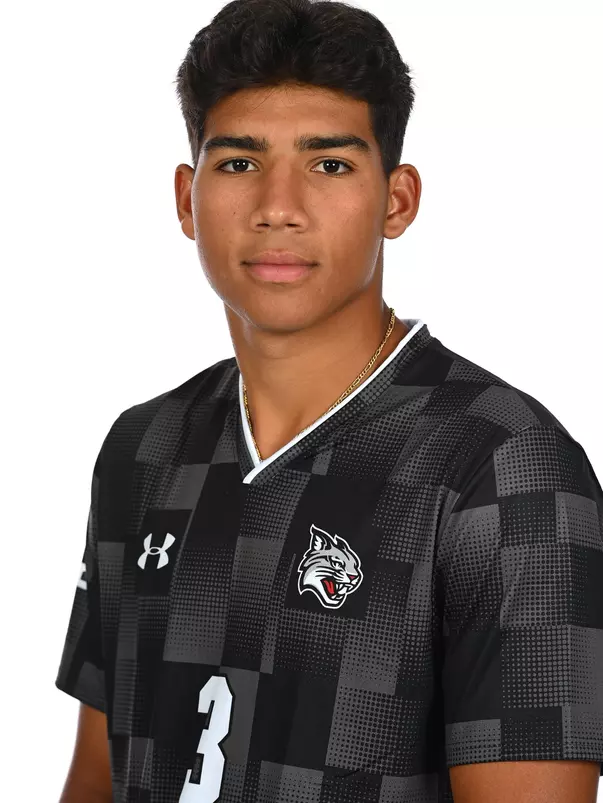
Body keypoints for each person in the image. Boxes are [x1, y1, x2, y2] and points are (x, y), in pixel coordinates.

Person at [55, 1, 603, 801]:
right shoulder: (142, 448)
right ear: (186, 197)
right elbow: (98, 777)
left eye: (330, 164)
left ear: (397, 199)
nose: (278, 206)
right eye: (239, 163)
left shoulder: (506, 469)